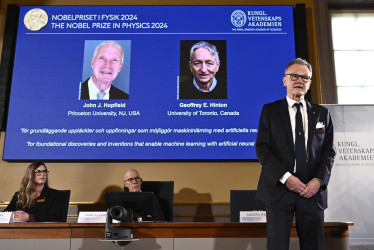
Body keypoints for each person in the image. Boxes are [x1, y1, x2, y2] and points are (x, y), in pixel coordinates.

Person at [255, 58, 335, 250]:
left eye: (305, 77)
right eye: (294, 76)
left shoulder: (322, 114)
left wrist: (318, 181)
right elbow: (263, 149)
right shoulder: (270, 111)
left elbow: (328, 152)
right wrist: (286, 178)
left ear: (310, 82)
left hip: (312, 192)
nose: (299, 80)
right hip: (280, 190)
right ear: (285, 80)